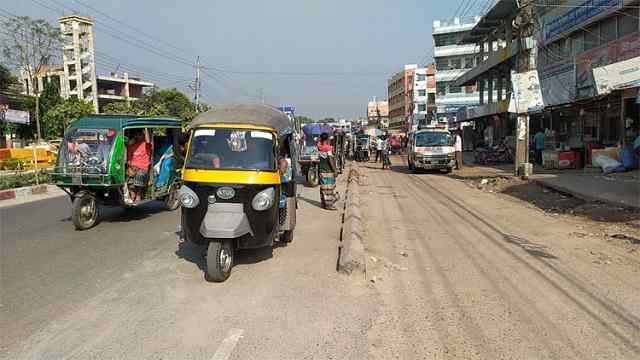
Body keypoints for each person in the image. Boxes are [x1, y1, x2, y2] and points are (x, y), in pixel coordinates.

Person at [126, 129, 152, 203]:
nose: (137, 136)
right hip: (133, 167)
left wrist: (146, 129)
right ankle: (132, 194)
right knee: (127, 178)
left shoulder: (146, 145)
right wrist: (130, 167)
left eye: (139, 135)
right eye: (136, 135)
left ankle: (139, 194)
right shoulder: (131, 146)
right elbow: (128, 159)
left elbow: (148, 141)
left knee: (139, 175)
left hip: (143, 168)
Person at [317, 132, 338, 210]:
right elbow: (330, 159)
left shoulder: (319, 146)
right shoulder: (328, 148)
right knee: (329, 189)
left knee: (323, 188)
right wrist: (334, 170)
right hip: (328, 170)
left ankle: (323, 203)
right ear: (327, 139)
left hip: (321, 170)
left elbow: (320, 142)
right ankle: (329, 205)